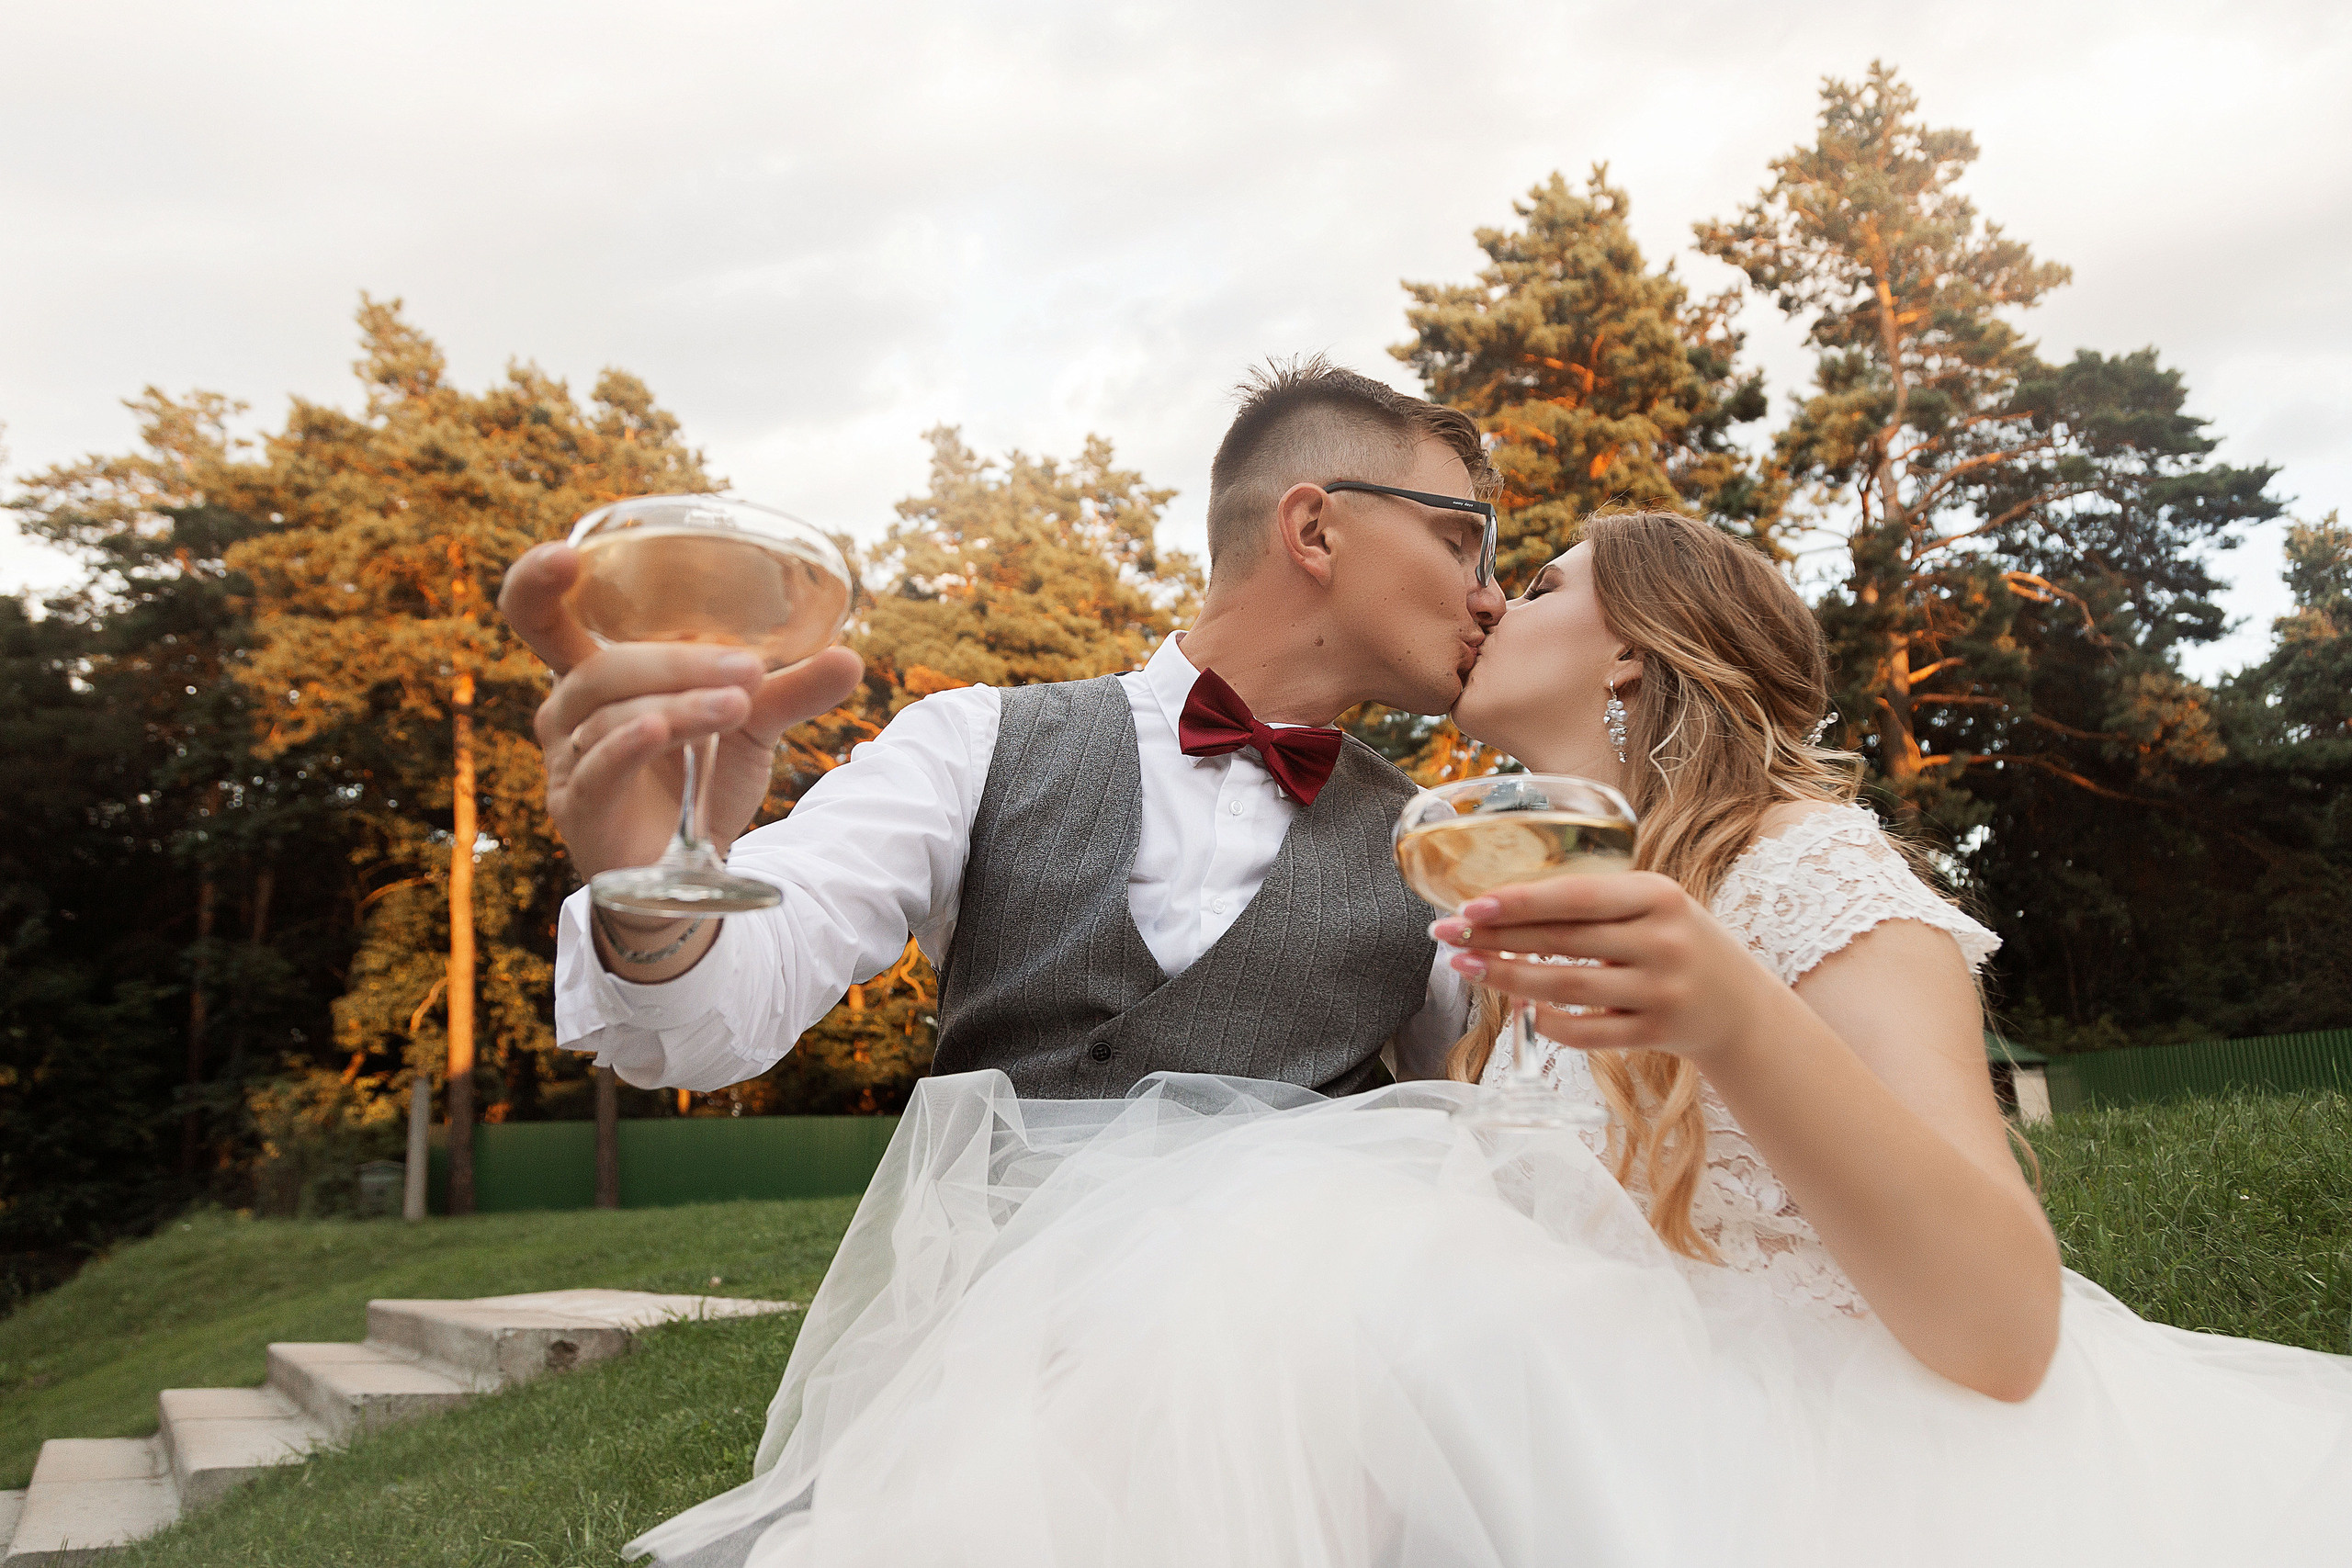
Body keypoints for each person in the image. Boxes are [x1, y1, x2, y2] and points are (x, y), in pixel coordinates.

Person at [627, 509, 2352, 1567]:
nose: (1485, 604)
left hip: (1809, 1460)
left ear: (1635, 660)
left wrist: (1729, 1009)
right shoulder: (1514, 916)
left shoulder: (1813, 873)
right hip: (1558, 1419)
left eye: (1535, 581)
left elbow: (2003, 1326)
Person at [503, 357, 1501, 1102]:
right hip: (1002, 1314)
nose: (1490, 596)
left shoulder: (1441, 848)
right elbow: (718, 1020)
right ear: (1315, 530)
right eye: (1461, 541)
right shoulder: (972, 744)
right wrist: (653, 896)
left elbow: (1506, 1123)